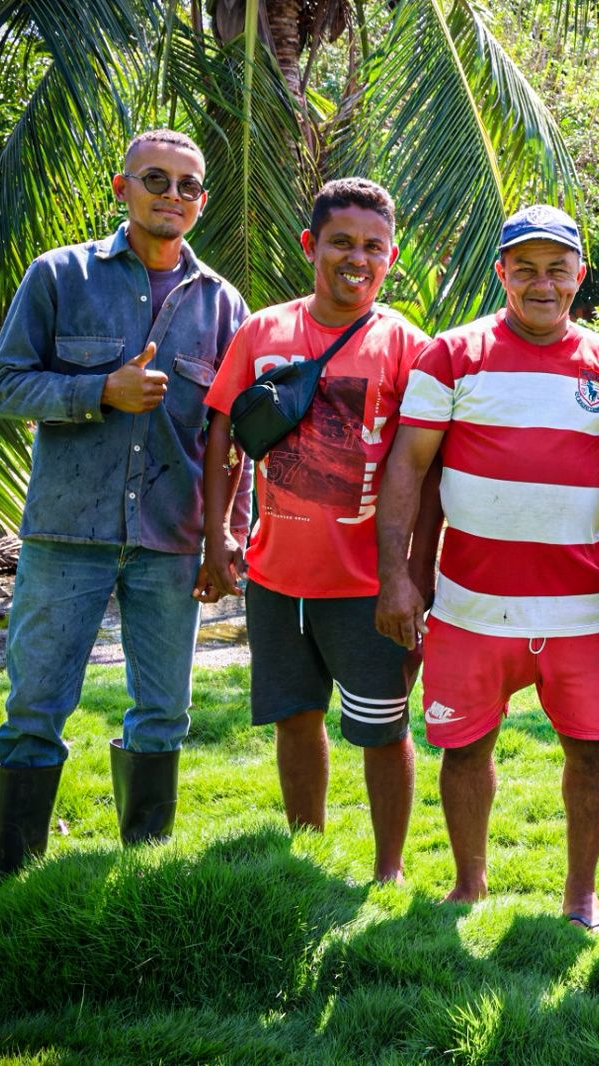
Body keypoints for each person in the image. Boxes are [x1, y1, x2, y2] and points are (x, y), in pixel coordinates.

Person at [0, 129, 248, 887]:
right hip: (68, 534)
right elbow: (4, 387)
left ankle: (143, 883)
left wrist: (223, 541)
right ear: (120, 187)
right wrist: (99, 389)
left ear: (201, 200)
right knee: (34, 710)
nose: (172, 195)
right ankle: (10, 891)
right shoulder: (59, 276)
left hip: (171, 541)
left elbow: (229, 440)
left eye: (188, 186)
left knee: (163, 715)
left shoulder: (222, 303)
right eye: (155, 179)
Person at [373, 205, 599, 933]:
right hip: (470, 606)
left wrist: (574, 484)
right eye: (525, 269)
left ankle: (581, 896)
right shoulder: (453, 355)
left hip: (582, 605)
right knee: (465, 749)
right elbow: (408, 465)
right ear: (503, 274)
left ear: (579, 276)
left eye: (557, 269)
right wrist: (397, 576)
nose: (542, 283)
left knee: (590, 751)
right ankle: (469, 885)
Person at [201, 177, 429, 883]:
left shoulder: (408, 347)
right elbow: (223, 438)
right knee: (295, 718)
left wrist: (411, 582)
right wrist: (218, 538)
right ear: (311, 246)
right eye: (341, 243)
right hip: (275, 578)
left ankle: (387, 872)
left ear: (390, 258)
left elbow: (426, 472)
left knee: (382, 730)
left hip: (367, 586)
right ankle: (307, 853)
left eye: (373, 247)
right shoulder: (262, 331)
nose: (355, 258)